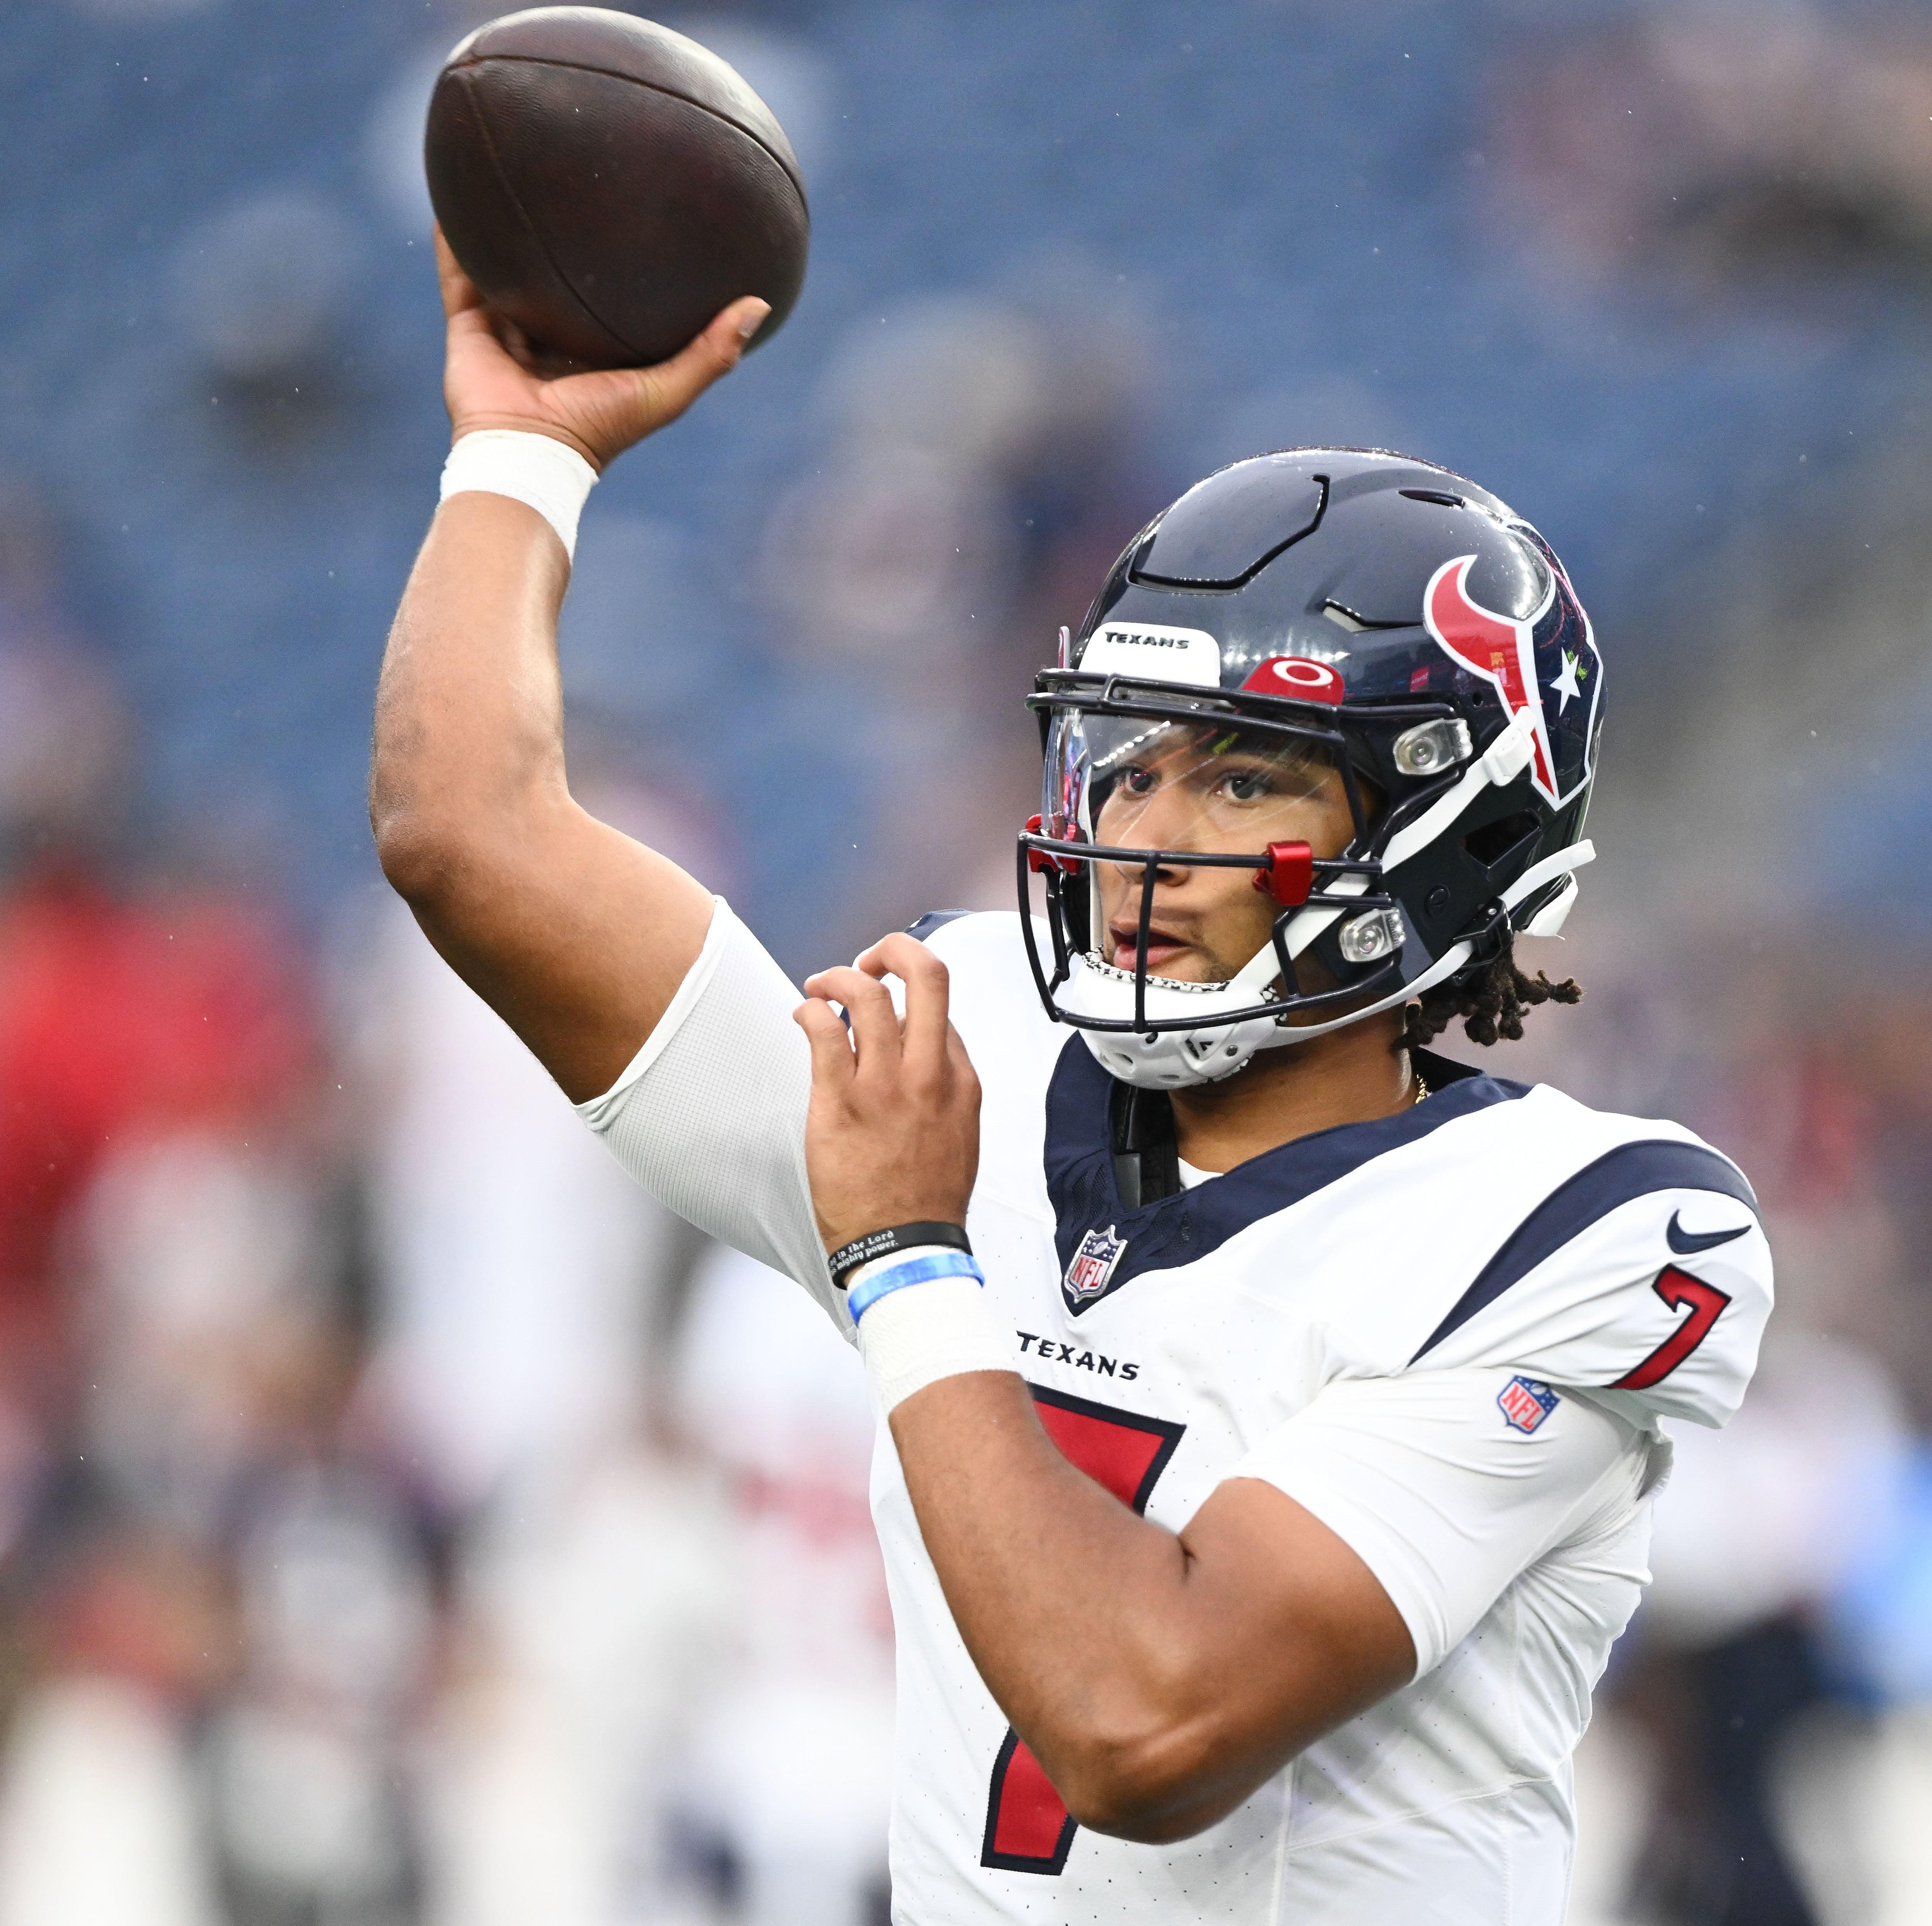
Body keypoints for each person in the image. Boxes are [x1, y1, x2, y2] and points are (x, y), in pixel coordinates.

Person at [369, 239, 1776, 1923]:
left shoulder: (1590, 1232)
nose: (1141, 845)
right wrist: (521, 455)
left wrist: (907, 1261)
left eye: (1241, 777)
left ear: (1443, 829)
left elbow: (1145, 1720)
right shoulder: (966, 1043)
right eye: (1127, 764)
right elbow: (467, 834)